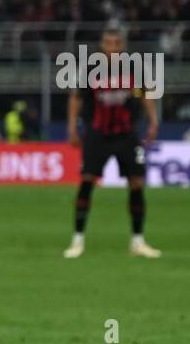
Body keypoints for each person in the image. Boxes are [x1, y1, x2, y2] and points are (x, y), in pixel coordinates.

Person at [63, 26, 161, 259]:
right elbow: (76, 98)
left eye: (117, 43)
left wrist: (153, 121)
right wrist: (72, 127)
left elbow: (145, 94)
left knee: (136, 183)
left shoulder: (133, 69)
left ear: (122, 46)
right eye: (109, 43)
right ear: (102, 46)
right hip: (98, 134)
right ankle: (77, 241)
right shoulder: (90, 69)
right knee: (87, 182)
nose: (113, 48)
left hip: (127, 134)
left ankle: (138, 241)